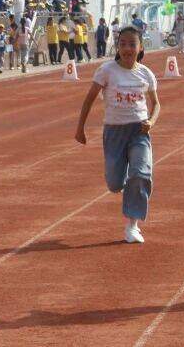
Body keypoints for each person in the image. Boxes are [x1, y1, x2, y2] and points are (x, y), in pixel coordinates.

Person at [75, 26, 160, 243]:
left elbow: (157, 104)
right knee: (114, 183)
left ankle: (132, 225)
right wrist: (80, 128)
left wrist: (151, 121)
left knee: (141, 174)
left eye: (132, 44)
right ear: (117, 46)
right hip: (114, 131)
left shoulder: (146, 73)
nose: (127, 48)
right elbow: (89, 99)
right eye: (123, 44)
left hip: (139, 131)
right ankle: (123, 183)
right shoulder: (107, 70)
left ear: (141, 48)